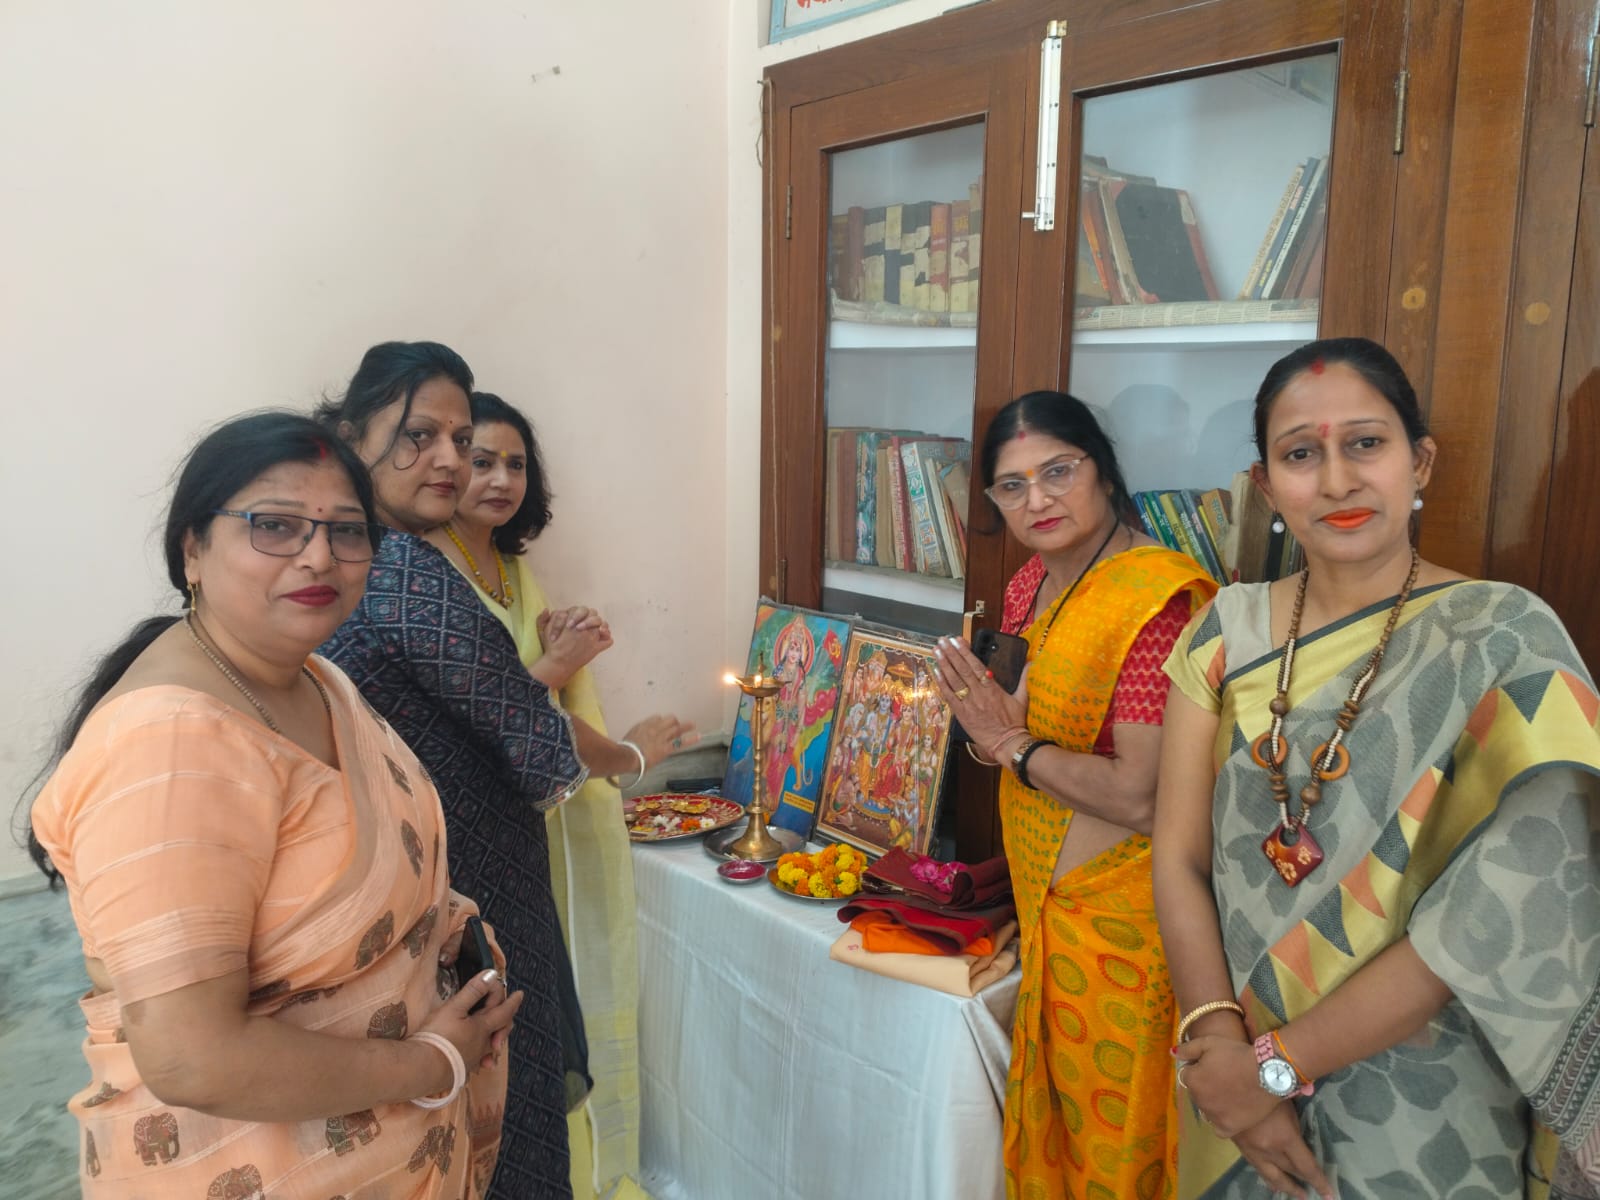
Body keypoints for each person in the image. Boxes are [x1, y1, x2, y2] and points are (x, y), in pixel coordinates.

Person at [26, 412, 520, 1198]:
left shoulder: (316, 679)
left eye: (347, 531)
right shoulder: (170, 744)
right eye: (276, 526)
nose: (319, 556)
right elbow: (194, 1057)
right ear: (192, 549)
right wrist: (432, 1064)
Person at [1154, 337, 1600, 1199]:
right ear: (1265, 485)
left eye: (1366, 443)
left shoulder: (1504, 638)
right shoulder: (1224, 631)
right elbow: (1177, 857)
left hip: (1430, 1095)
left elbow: (1494, 912)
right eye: (1300, 455)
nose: (1336, 481)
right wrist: (1216, 1041)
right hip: (1229, 1070)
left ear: (1418, 461)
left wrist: (1275, 1070)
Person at [316, 344, 590, 1200]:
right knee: (505, 1125)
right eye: (418, 435)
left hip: (396, 889)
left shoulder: (347, 557)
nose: (448, 460)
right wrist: (601, 757)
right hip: (475, 891)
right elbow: (538, 747)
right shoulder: (403, 567)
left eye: (460, 440)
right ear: (350, 435)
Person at [934, 391, 1217, 1200]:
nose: (1038, 500)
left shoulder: (1158, 604)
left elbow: (1141, 797)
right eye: (1012, 485)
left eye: (1058, 472)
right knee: (1058, 1135)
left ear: (1104, 471)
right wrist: (990, 731)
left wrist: (1012, 746)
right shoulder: (1031, 583)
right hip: (1047, 911)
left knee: (1119, 1147)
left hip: (1129, 926)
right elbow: (1009, 725)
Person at [424, 389, 694, 1199]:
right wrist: (621, 742)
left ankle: (590, 1166)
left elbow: (528, 704)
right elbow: (492, 720)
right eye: (481, 461)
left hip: (548, 819)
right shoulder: (427, 578)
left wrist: (559, 660)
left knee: (560, 1010)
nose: (500, 479)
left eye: (515, 464)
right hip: (479, 837)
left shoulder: (513, 572)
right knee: (511, 1034)